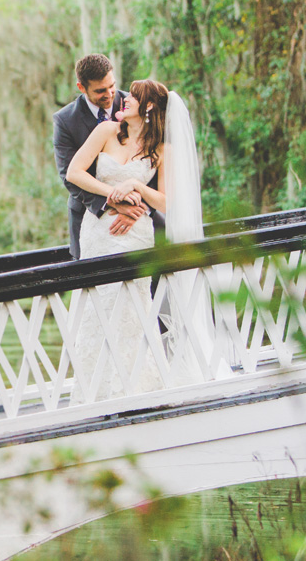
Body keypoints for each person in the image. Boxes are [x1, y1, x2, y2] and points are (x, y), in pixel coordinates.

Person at [64, 78, 212, 401]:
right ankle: (93, 390)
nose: (123, 98)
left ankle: (136, 387)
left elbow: (166, 202)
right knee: (97, 307)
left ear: (146, 108)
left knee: (132, 310)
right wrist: (112, 194)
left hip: (135, 236)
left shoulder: (161, 149)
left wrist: (137, 187)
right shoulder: (105, 132)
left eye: (132, 96)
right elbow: (75, 173)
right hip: (98, 233)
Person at [52, 54, 149, 261]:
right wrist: (112, 203)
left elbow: (154, 162)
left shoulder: (134, 104)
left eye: (112, 86)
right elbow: (69, 176)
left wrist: (135, 210)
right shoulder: (65, 121)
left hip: (139, 214)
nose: (110, 94)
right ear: (81, 87)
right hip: (91, 215)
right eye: (100, 91)